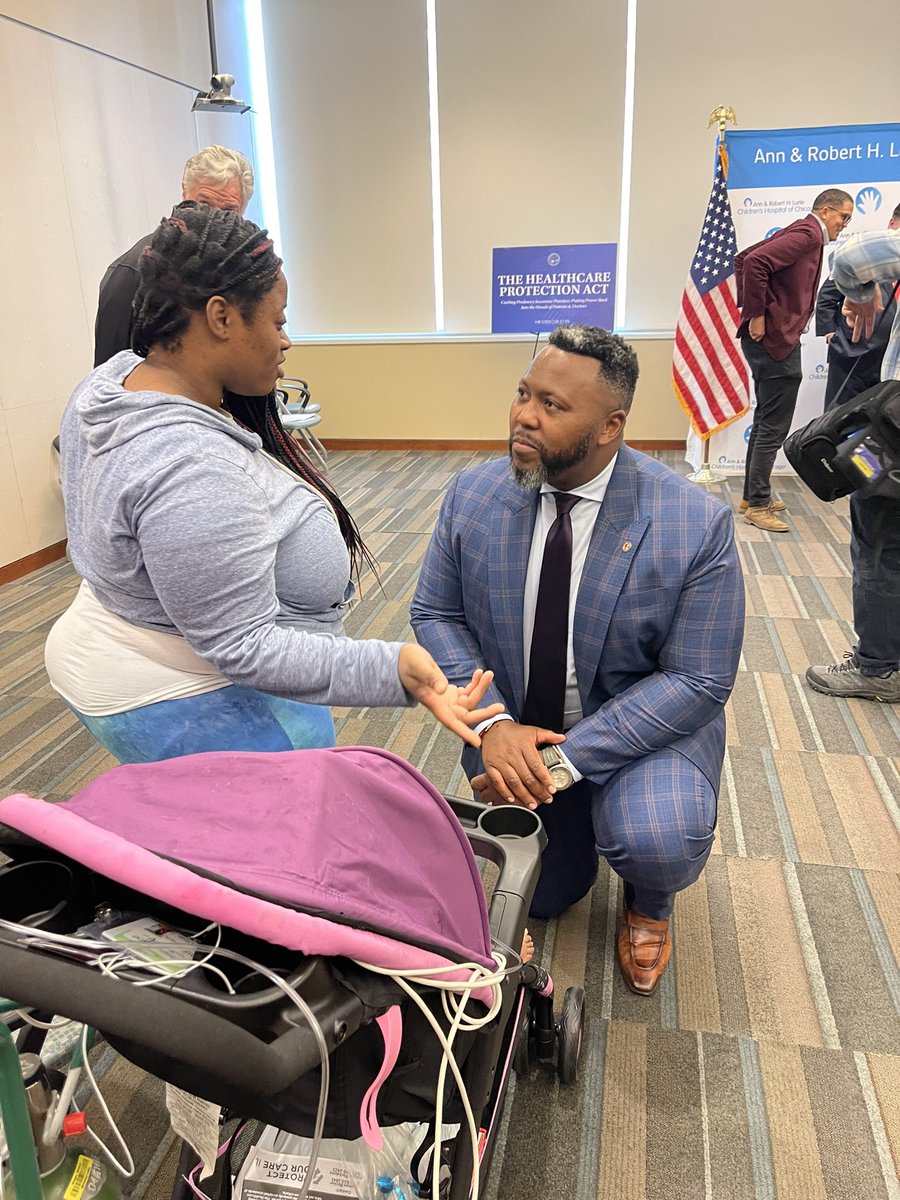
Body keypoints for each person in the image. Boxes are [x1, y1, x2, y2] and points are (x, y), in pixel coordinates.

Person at [46, 204, 503, 762]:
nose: (287, 340)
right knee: (272, 839)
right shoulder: (193, 467)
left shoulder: (113, 378)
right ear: (220, 317)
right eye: (278, 321)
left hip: (121, 654)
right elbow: (242, 644)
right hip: (186, 693)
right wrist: (397, 669)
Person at [410, 325, 744, 995]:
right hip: (518, 726)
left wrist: (565, 762)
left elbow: (698, 678)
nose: (524, 415)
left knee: (655, 836)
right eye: (523, 394)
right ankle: (568, 831)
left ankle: (650, 901)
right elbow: (435, 616)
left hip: (643, 730)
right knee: (544, 895)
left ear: (610, 426)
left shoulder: (692, 523)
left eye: (553, 406)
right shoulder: (472, 496)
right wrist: (494, 725)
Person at [805, 224, 900, 703]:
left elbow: (851, 257)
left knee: (878, 542)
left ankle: (878, 667)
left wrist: (860, 294)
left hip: (895, 436)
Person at [735, 188, 854, 532]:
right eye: (843, 217)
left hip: (772, 340)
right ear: (826, 210)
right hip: (774, 342)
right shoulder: (807, 233)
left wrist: (755, 312)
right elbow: (753, 263)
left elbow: (743, 258)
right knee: (773, 426)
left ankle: (752, 494)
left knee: (766, 422)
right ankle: (757, 505)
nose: (845, 225)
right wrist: (757, 315)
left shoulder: (803, 231)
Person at [93, 146, 254, 367]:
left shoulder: (242, 273)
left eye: (227, 212)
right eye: (204, 204)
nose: (213, 220)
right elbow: (109, 376)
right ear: (184, 194)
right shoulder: (133, 272)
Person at [815, 203, 900, 409]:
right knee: (840, 418)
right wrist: (830, 333)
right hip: (854, 352)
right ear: (891, 224)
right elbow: (828, 295)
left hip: (882, 357)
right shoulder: (872, 262)